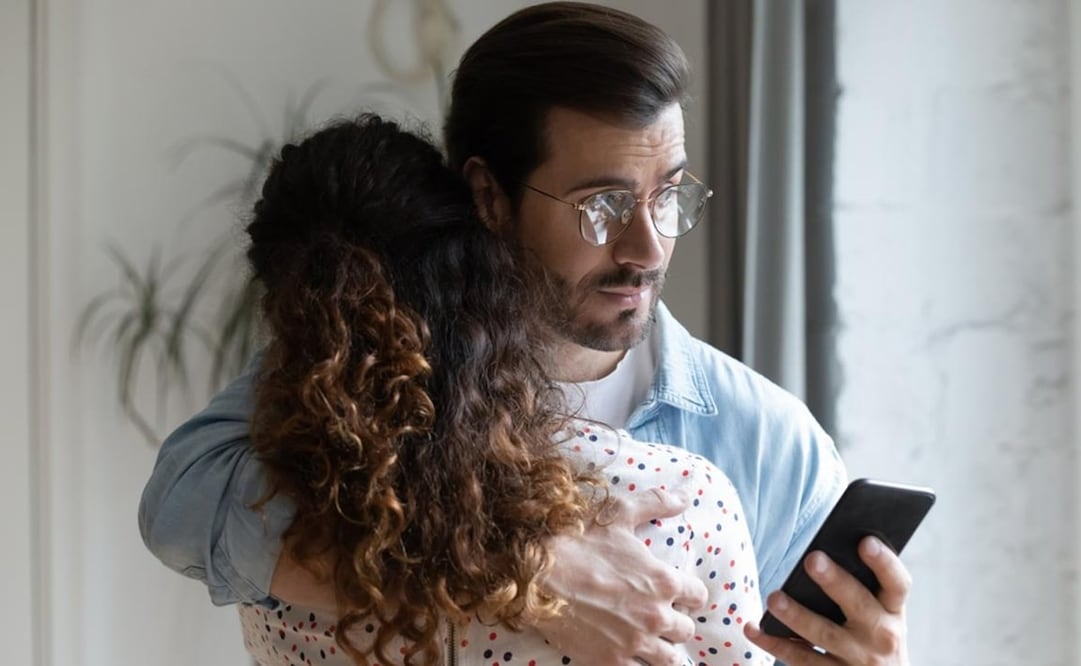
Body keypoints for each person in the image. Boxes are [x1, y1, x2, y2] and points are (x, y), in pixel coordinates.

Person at [140, 3, 914, 665]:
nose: (647, 247)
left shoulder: (765, 442)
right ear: (488, 195)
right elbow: (183, 509)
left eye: (669, 194)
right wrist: (516, 575)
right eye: (602, 206)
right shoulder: (367, 379)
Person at [234, 112, 771, 666]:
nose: (649, 248)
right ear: (476, 268)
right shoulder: (678, 498)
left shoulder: (270, 522)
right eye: (601, 205)